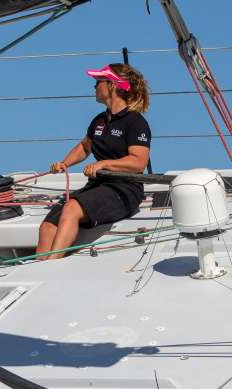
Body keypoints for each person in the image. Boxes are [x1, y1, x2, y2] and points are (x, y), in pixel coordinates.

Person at [37, 63, 151, 259]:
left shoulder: (135, 122)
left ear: (112, 85)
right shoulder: (99, 120)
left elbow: (138, 162)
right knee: (48, 225)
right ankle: (37, 271)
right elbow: (85, 147)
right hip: (97, 187)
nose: (94, 87)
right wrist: (64, 163)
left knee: (71, 208)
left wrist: (103, 164)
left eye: (98, 82)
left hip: (124, 190)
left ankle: (50, 266)